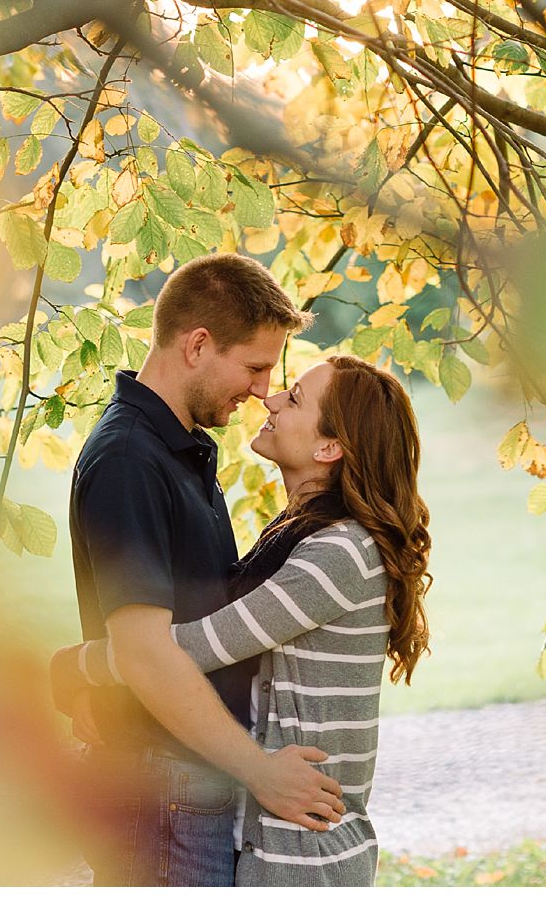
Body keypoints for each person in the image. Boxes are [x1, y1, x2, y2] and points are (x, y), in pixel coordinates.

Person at [56, 355, 432, 883]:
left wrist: (75, 665)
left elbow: (194, 647)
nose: (270, 399)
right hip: (285, 846)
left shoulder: (339, 554)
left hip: (304, 859)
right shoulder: (300, 536)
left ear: (329, 448)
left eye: (294, 398)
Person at [65, 251, 338, 886]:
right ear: (197, 345)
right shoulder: (130, 458)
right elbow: (143, 652)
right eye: (254, 367)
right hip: (159, 785)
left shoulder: (178, 448)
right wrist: (261, 770)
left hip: (185, 780)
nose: (263, 390)